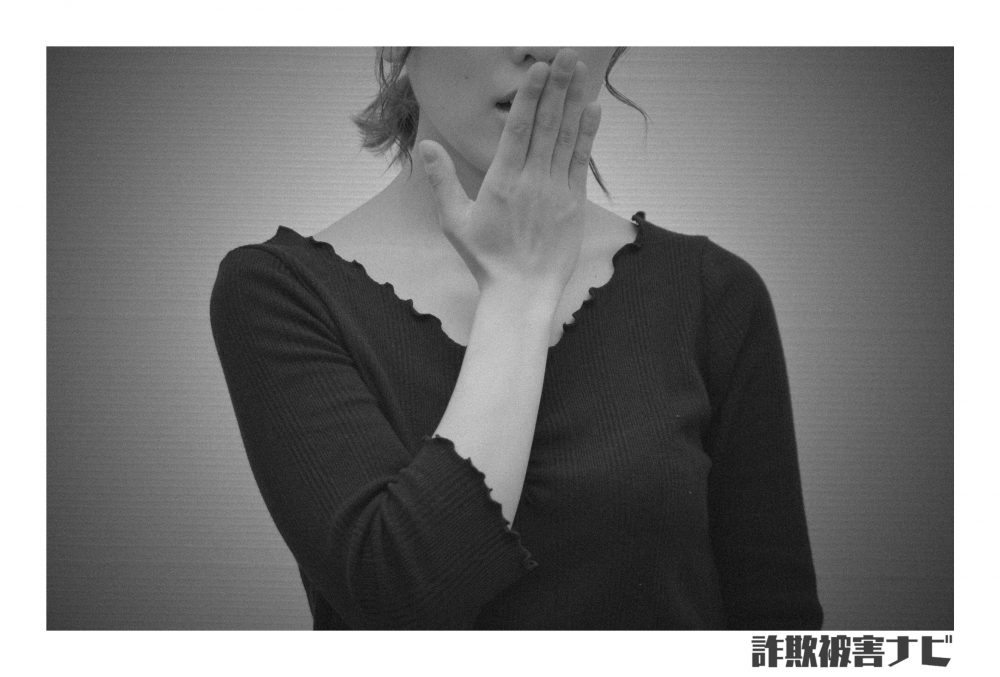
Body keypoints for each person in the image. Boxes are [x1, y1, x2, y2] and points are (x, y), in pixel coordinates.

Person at [210, 47, 823, 630]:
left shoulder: (711, 293)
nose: (539, 44)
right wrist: (519, 289)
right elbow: (398, 600)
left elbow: (778, 628)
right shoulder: (279, 293)